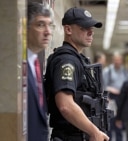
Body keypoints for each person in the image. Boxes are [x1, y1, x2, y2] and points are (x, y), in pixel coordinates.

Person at [44, 7, 109, 141]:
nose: (91, 32)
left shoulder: (78, 60)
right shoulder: (67, 60)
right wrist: (94, 132)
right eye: (84, 28)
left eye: (92, 28)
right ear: (68, 30)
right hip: (70, 136)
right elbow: (65, 105)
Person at [27, 2, 53, 141]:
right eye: (40, 24)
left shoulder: (35, 64)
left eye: (50, 25)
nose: (48, 31)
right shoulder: (15, 67)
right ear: (25, 27)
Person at [102, 52, 128, 141]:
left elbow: (127, 84)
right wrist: (110, 91)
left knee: (119, 124)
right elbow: (103, 86)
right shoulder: (108, 71)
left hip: (121, 99)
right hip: (111, 99)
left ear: (121, 61)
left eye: (119, 60)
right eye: (116, 60)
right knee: (110, 123)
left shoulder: (125, 71)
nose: (117, 62)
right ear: (113, 60)